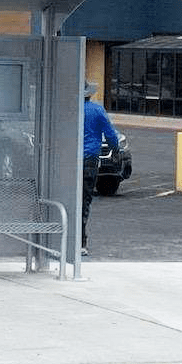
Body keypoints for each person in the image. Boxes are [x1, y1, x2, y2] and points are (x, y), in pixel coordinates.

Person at [82, 81, 118, 256]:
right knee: (84, 199)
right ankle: (81, 242)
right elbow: (110, 133)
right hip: (89, 159)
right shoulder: (97, 110)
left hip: (69, 160)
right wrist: (115, 149)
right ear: (90, 94)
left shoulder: (69, 110)